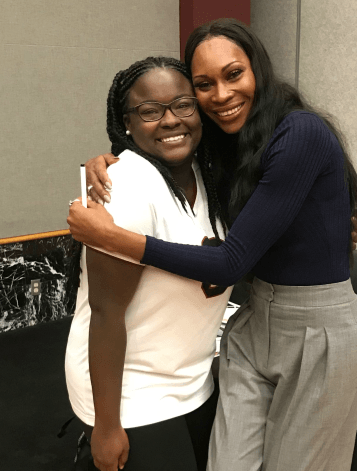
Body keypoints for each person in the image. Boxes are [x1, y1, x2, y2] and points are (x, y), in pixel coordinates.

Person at [68, 18, 357, 471]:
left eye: (233, 74)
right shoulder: (225, 150)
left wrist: (115, 239)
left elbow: (230, 261)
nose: (222, 95)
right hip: (251, 325)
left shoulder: (297, 132)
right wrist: (110, 155)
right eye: (205, 84)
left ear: (258, 69)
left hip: (315, 325)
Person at [65, 56, 235, 471]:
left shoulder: (209, 173)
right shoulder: (127, 187)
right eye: (149, 111)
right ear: (126, 123)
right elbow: (105, 313)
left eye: (182, 104)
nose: (170, 120)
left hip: (194, 376)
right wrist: (107, 425)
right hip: (133, 393)